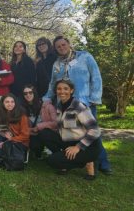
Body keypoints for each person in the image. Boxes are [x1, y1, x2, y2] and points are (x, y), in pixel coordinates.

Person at [43, 35, 112, 175]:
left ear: (69, 44)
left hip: (85, 101)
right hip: (65, 104)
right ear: (56, 50)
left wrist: (94, 97)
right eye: (58, 47)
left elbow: (96, 76)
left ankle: (103, 164)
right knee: (71, 134)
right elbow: (52, 84)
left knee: (93, 134)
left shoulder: (85, 57)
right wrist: (47, 98)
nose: (62, 48)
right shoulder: (57, 64)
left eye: (63, 44)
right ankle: (70, 159)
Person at [40, 79, 101, 180]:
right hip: (69, 141)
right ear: (56, 91)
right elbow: (60, 126)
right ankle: (67, 159)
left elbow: (95, 130)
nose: (62, 91)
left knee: (52, 161)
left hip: (88, 146)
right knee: (44, 134)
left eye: (65, 89)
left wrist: (78, 147)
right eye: (59, 89)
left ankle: (89, 161)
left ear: (71, 90)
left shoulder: (79, 106)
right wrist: (40, 127)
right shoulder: (59, 106)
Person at [0, 93, 30, 169]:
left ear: (15, 103)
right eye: (7, 102)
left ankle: (1, 158)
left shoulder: (22, 116)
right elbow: (4, 129)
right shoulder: (3, 114)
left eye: (12, 102)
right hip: (9, 139)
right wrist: (3, 134)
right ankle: (1, 157)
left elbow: (25, 136)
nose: (10, 104)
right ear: (2, 104)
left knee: (1, 140)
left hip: (20, 142)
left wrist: (10, 140)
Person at [21, 85, 57, 159]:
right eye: (25, 93)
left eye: (30, 92)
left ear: (34, 93)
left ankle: (56, 152)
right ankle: (38, 152)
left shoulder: (47, 106)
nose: (28, 95)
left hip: (48, 133)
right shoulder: (22, 108)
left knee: (43, 134)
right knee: (34, 144)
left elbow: (56, 123)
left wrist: (38, 127)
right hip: (33, 133)